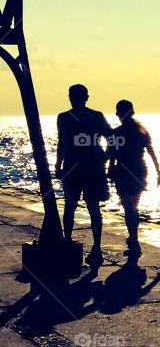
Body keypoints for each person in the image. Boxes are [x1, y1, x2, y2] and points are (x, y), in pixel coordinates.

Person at [55, 84, 113, 266]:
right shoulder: (96, 116)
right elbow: (111, 138)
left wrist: (58, 165)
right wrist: (107, 158)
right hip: (94, 167)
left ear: (70, 97)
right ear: (87, 97)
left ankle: (68, 240)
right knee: (94, 209)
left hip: (73, 167)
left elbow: (62, 143)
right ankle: (96, 247)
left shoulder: (64, 118)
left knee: (70, 206)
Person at [109, 100, 160, 261]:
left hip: (124, 171)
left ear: (118, 113)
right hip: (139, 170)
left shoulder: (116, 133)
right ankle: (133, 239)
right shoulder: (141, 131)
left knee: (129, 207)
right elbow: (151, 152)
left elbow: (112, 155)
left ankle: (133, 240)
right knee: (133, 206)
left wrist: (109, 169)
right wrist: (159, 173)